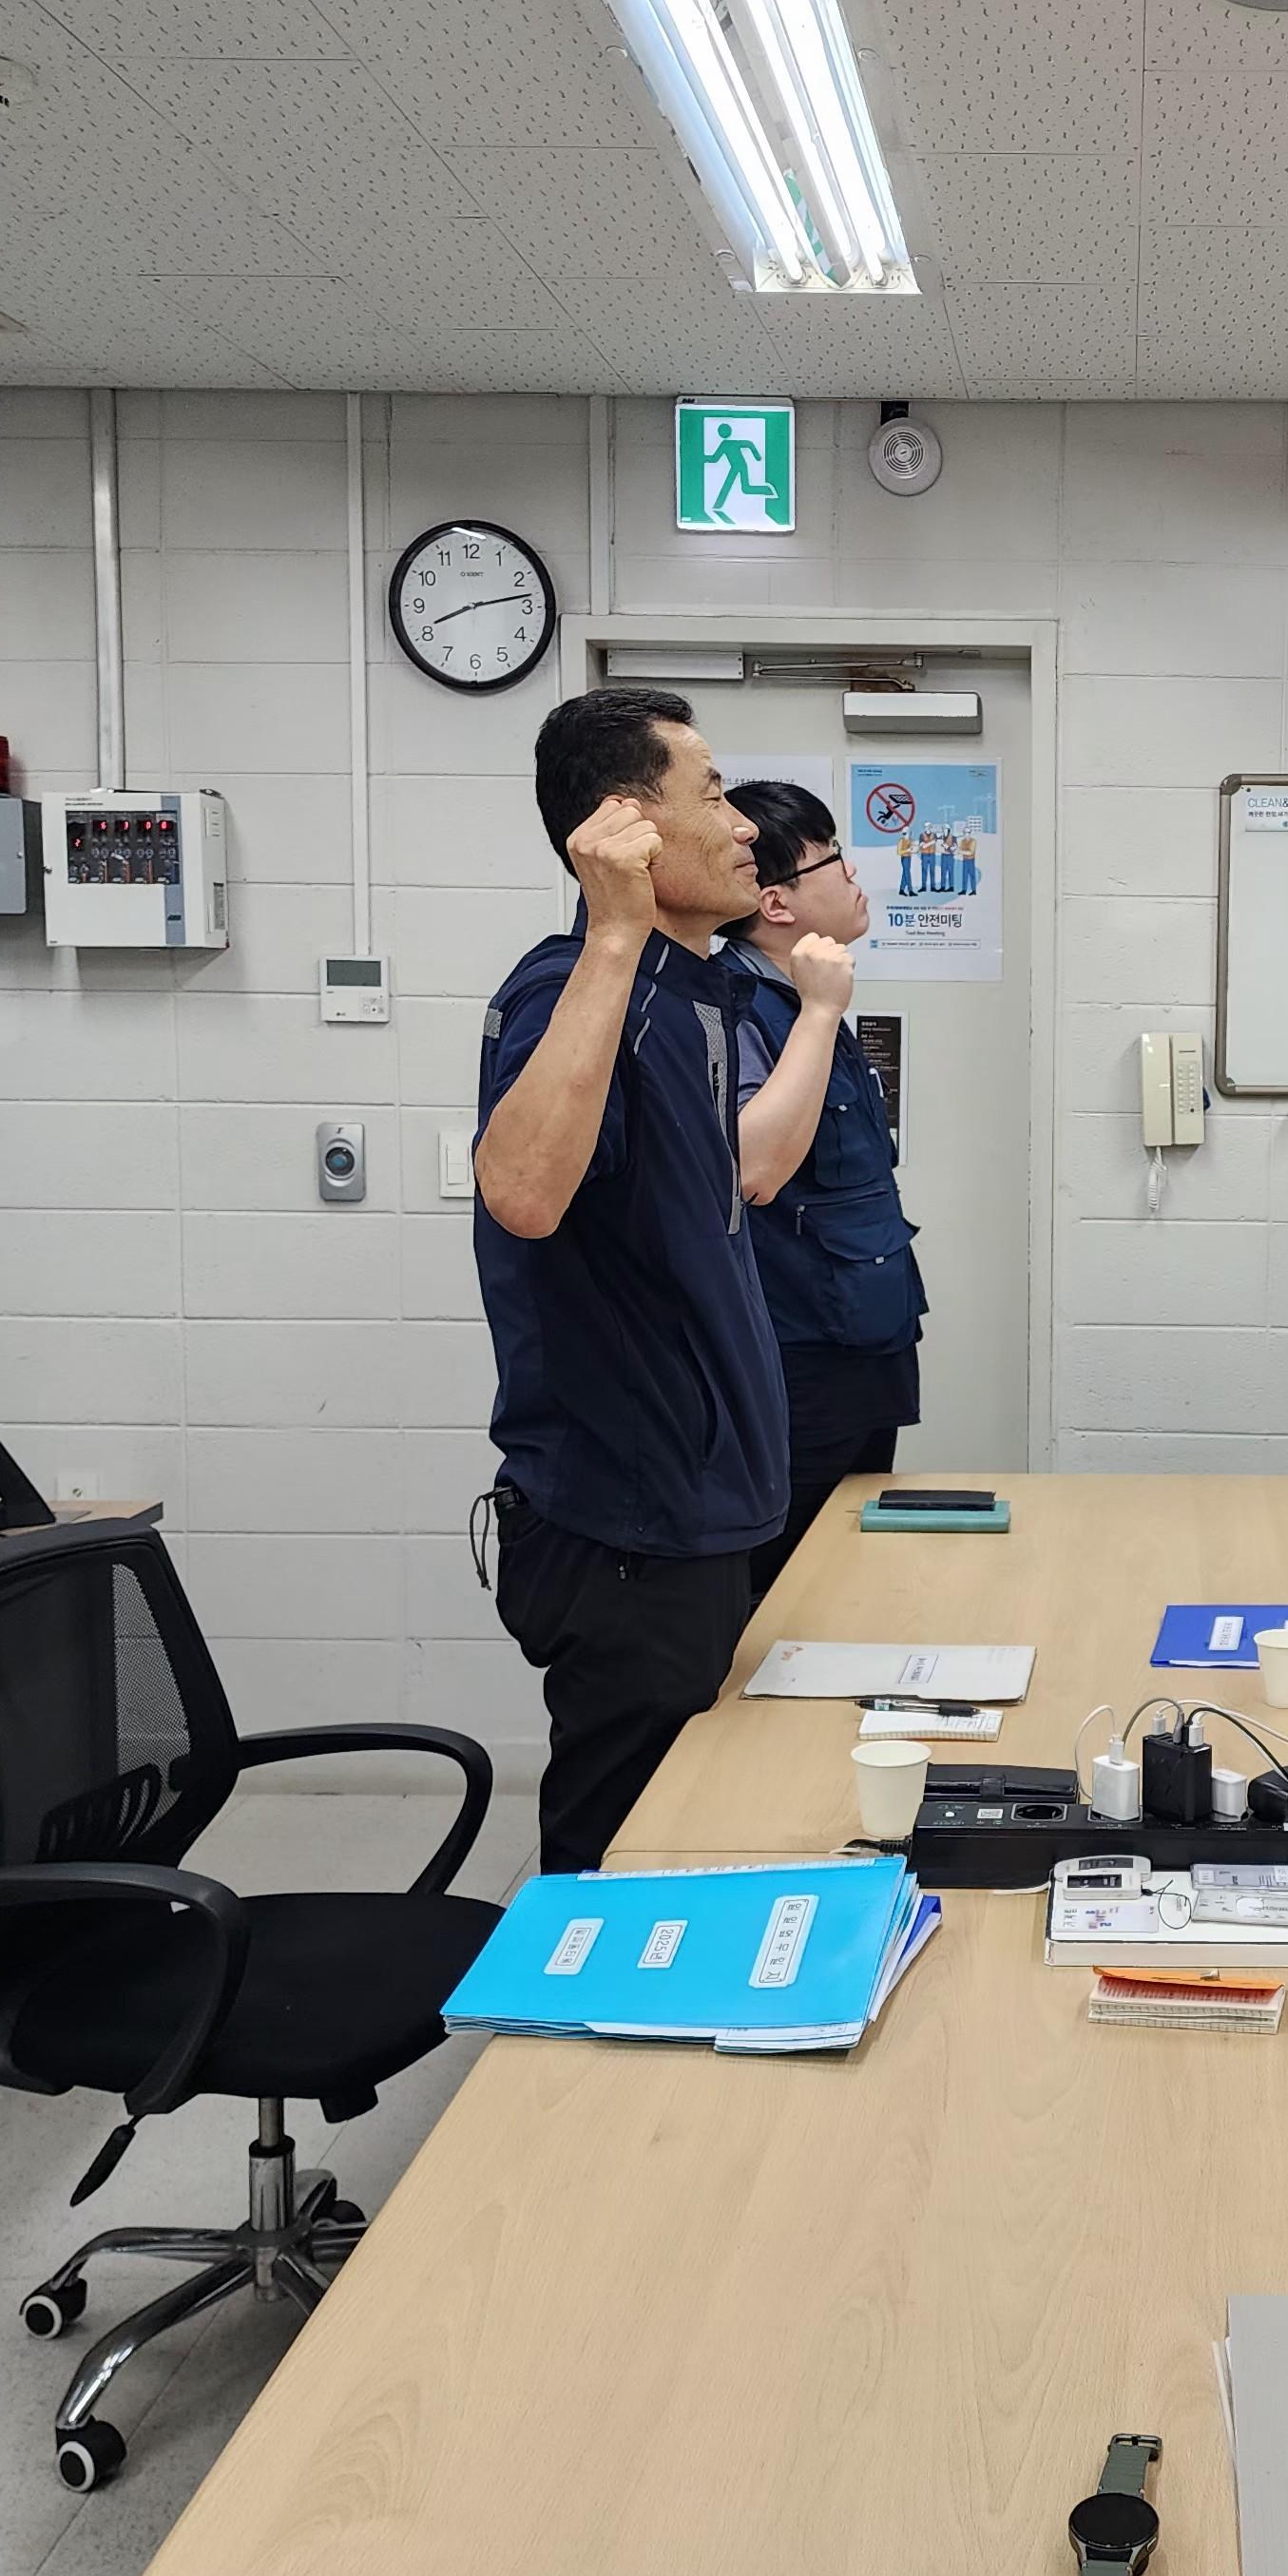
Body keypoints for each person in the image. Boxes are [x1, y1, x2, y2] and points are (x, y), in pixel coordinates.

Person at [472, 686, 784, 1876]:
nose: (743, 824)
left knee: (684, 1831)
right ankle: (557, 2010)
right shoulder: (577, 988)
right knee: (615, 1854)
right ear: (627, 825)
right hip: (625, 1526)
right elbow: (522, 1192)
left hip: (690, 1511)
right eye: (712, 795)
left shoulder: (692, 991)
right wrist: (613, 933)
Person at [721, 778, 929, 1592]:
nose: (853, 873)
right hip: (798, 1360)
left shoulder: (812, 1005)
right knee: (789, 1591)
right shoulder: (743, 1009)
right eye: (833, 859)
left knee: (852, 1575)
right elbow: (752, 1169)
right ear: (776, 903)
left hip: (862, 1341)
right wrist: (817, 1012)